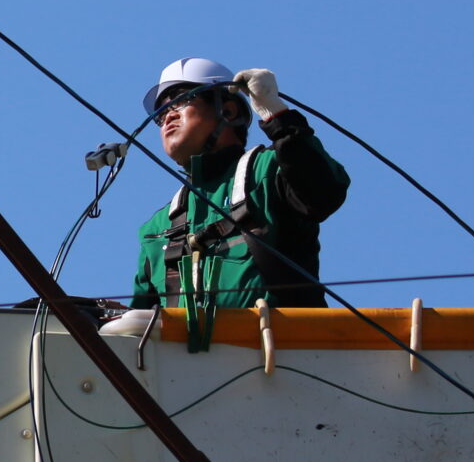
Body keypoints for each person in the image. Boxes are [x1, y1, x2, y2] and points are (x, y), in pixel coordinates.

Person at [128, 57, 347, 317]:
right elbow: (134, 326)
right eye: (160, 113)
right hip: (187, 357)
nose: (168, 116)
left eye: (180, 100)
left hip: (280, 351)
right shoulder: (157, 229)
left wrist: (277, 116)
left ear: (228, 112)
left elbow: (323, 191)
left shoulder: (267, 170)